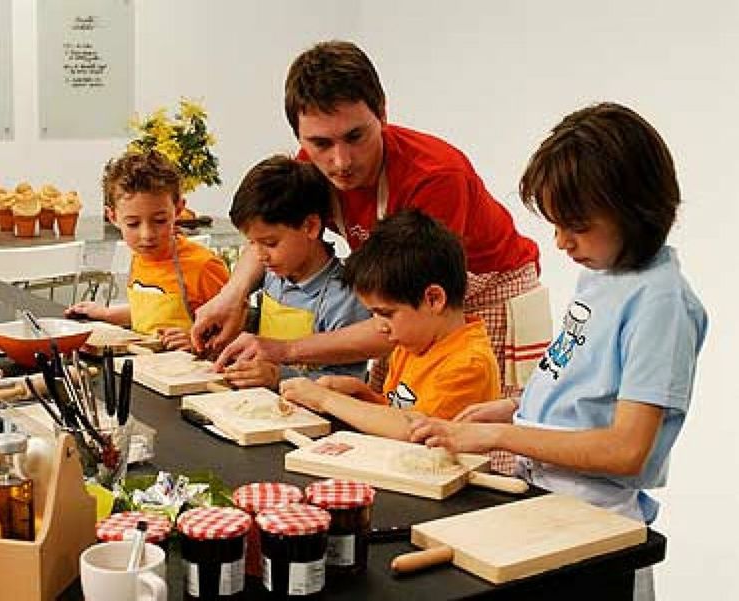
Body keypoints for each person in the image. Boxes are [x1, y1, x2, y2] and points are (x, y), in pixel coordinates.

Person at [408, 103, 707, 599]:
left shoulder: (662, 304)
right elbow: (583, 390)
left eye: (577, 225)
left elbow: (625, 449)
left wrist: (501, 435)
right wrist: (514, 408)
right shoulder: (603, 273)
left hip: (596, 523)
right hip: (551, 501)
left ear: (635, 209)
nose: (561, 242)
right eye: (556, 224)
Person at [192, 40, 542, 402]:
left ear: (383, 113)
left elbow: (412, 311)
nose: (341, 161)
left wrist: (285, 349)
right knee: (390, 409)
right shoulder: (310, 164)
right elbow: (271, 231)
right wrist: (231, 296)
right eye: (320, 143)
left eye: (355, 136)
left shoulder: (435, 177)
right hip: (405, 300)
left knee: (467, 425)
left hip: (487, 294)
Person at [280, 209, 500, 440]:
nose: (379, 326)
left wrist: (327, 400)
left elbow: (416, 431)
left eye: (386, 313)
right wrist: (361, 394)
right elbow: (397, 410)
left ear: (434, 299)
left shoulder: (467, 364)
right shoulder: (413, 343)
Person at [222, 154, 371, 389]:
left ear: (310, 227)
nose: (259, 255)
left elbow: (349, 384)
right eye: (252, 243)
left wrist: (278, 377)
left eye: (270, 243)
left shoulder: (344, 297)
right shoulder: (273, 275)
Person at [66, 150, 229, 351]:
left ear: (178, 210)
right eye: (133, 224)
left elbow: (234, 331)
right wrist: (107, 314)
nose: (147, 235)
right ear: (113, 217)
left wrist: (196, 341)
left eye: (160, 220)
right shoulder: (139, 257)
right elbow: (151, 314)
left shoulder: (204, 267)